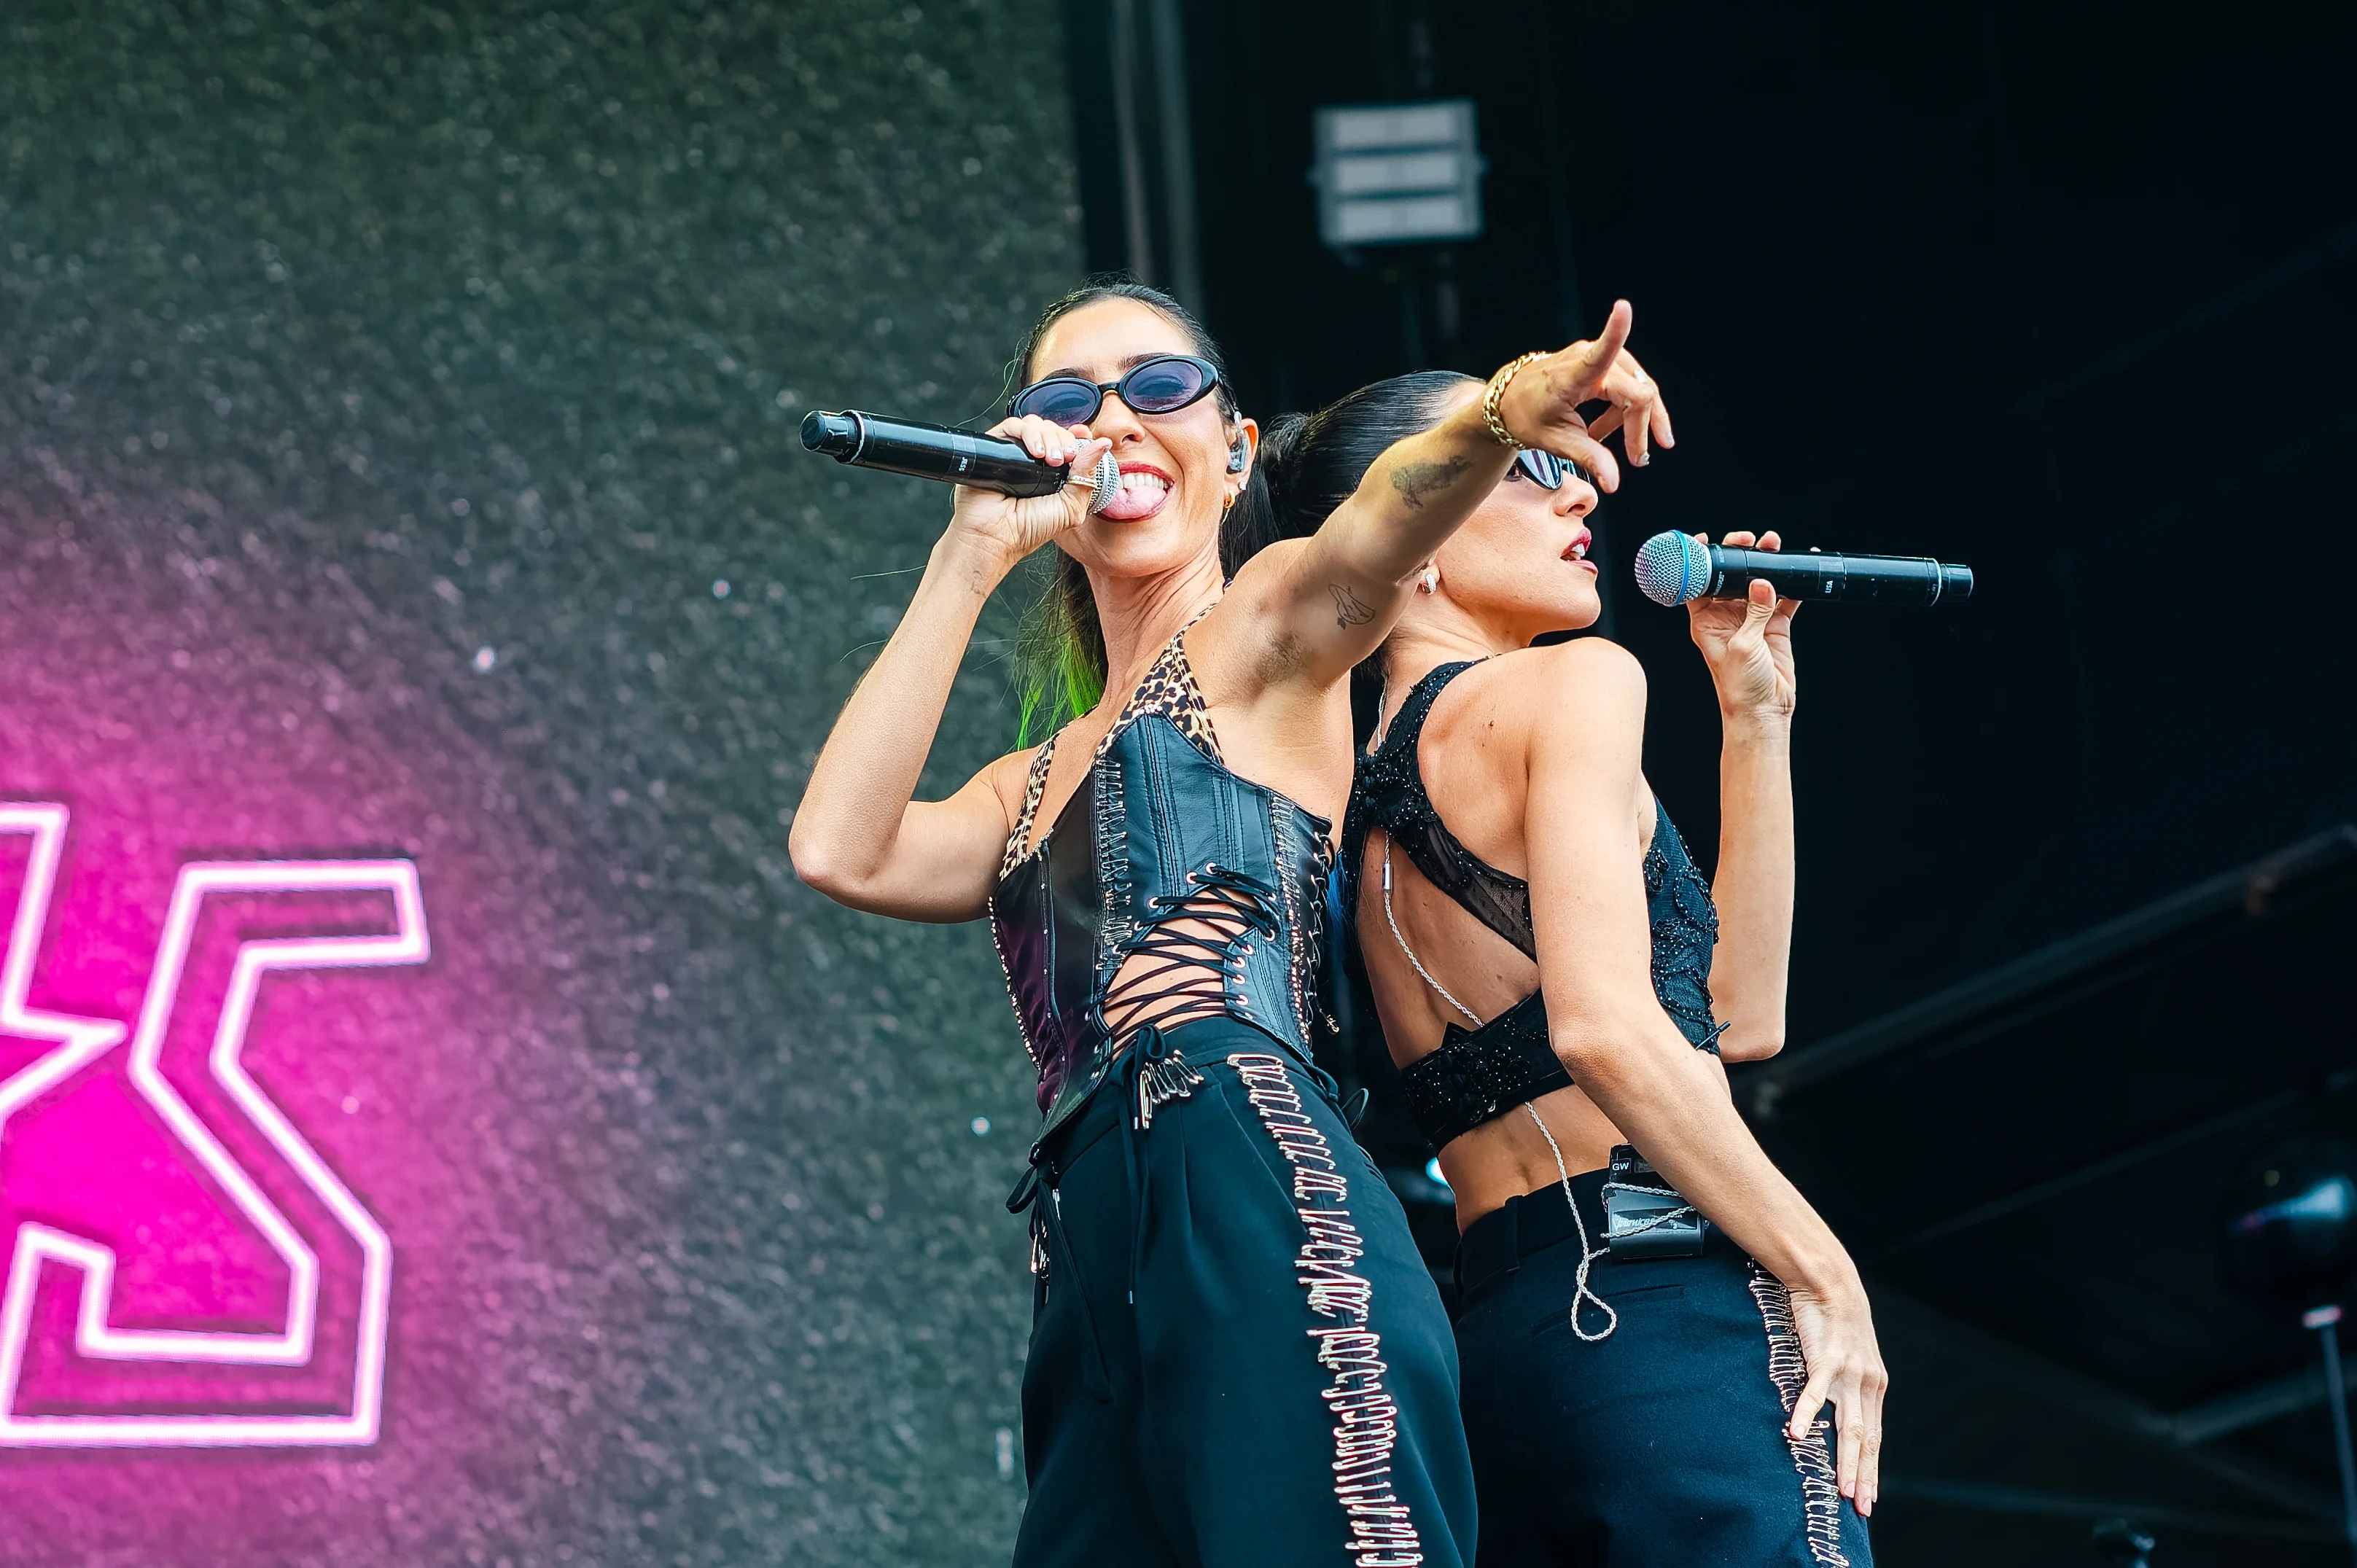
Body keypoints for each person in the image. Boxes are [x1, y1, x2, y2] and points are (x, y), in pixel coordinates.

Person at [789, 279, 1672, 1567]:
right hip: (1087, 1246)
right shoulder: (1027, 779)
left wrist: (1498, 411)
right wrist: (972, 550)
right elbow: (838, 844)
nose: (1115, 422)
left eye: (1159, 388)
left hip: (1241, 1165)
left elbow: (1372, 530)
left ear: (1238, 445)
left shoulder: (1258, 630)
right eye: (1065, 401)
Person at [1260, 371, 1884, 1566]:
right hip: (1665, 1311)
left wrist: (1754, 714)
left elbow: (1734, 1022)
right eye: (1533, 461)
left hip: (1502, 1354)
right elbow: (1603, 1028)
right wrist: (1824, 1268)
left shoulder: (1353, 785)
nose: (1580, 488)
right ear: (1422, 533)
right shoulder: (1575, 681)